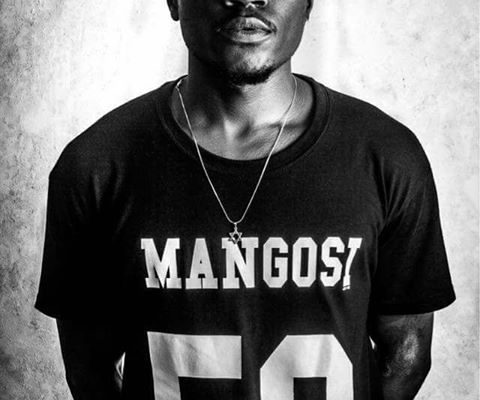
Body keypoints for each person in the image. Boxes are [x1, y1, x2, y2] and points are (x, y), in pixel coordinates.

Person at [35, 0, 456, 399]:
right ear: (173, 1)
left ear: (309, 3)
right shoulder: (96, 166)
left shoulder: (386, 157)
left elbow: (406, 355)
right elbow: (89, 368)